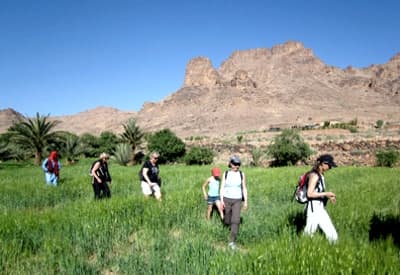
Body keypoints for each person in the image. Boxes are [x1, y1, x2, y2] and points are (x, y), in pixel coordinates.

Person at [304, 154, 338, 243]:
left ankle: (334, 251)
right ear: (323, 164)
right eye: (329, 165)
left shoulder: (320, 175)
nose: (330, 168)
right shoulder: (314, 176)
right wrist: (326, 193)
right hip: (313, 210)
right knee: (308, 236)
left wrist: (327, 196)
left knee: (333, 236)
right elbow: (309, 194)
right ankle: (298, 252)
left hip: (319, 208)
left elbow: (317, 192)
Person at [220, 155, 248, 250]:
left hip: (237, 199)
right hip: (226, 199)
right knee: (227, 219)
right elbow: (222, 187)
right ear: (231, 164)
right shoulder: (226, 173)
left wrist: (246, 202)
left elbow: (244, 187)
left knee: (235, 220)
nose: (237, 166)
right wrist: (221, 200)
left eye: (238, 164)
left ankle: (232, 242)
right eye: (235, 164)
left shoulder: (241, 174)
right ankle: (227, 225)